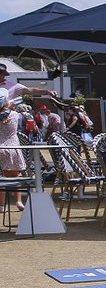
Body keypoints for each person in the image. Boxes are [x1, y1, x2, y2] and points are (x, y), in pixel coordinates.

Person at [0, 62, 57, 212]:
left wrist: (45, 91)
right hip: (8, 125)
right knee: (10, 170)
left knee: (12, 171)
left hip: (7, 123)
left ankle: (14, 202)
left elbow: (29, 90)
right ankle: (3, 204)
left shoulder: (11, 86)